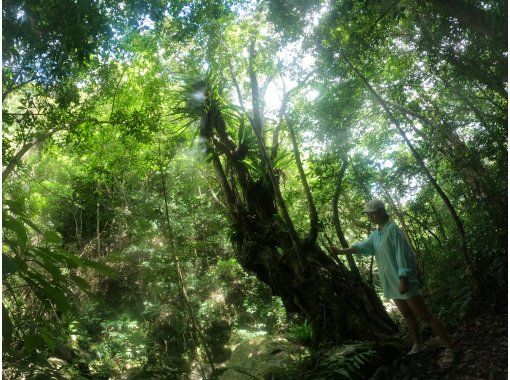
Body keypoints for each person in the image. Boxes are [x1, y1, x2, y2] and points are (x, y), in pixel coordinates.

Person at [330, 199, 455, 368]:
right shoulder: (377, 234)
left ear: (382, 211)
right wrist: (340, 251)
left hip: (403, 282)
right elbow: (362, 247)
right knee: (408, 316)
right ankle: (418, 344)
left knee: (424, 315)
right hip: (390, 282)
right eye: (368, 213)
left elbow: (403, 255)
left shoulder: (393, 230)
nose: (370, 216)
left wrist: (403, 279)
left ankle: (450, 347)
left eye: (373, 212)